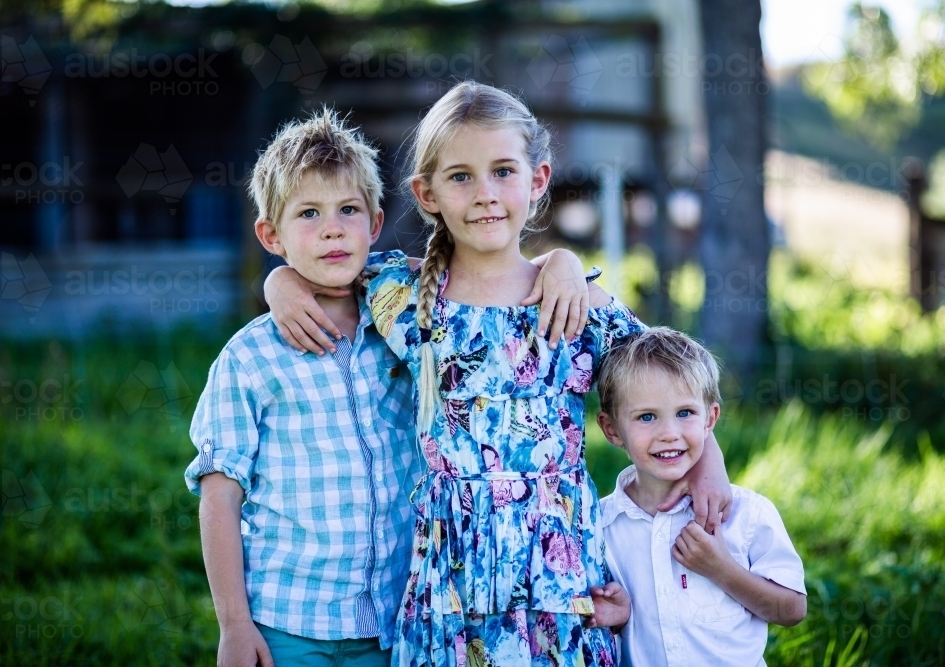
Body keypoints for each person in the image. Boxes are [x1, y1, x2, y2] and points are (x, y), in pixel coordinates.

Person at [266, 81, 733, 667]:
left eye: (503, 171)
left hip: (556, 574)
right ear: (427, 193)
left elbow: (672, 381)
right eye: (460, 176)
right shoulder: (401, 296)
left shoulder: (571, 302)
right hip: (451, 576)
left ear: (538, 180)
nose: (485, 194)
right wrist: (278, 283)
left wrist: (709, 462)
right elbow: (325, 265)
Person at [186, 107, 587, 667]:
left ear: (375, 225)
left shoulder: (402, 316)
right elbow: (219, 494)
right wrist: (233, 623)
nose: (332, 229)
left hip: (399, 618)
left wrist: (561, 261)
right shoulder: (251, 359)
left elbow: (487, 271)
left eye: (348, 210)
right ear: (270, 235)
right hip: (289, 621)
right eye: (309, 214)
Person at [595, 327, 807, 667]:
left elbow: (792, 610)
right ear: (611, 429)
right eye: (646, 417)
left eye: (684, 413)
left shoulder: (747, 514)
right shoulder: (600, 525)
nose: (669, 434)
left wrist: (721, 570)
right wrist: (620, 616)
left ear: (710, 418)